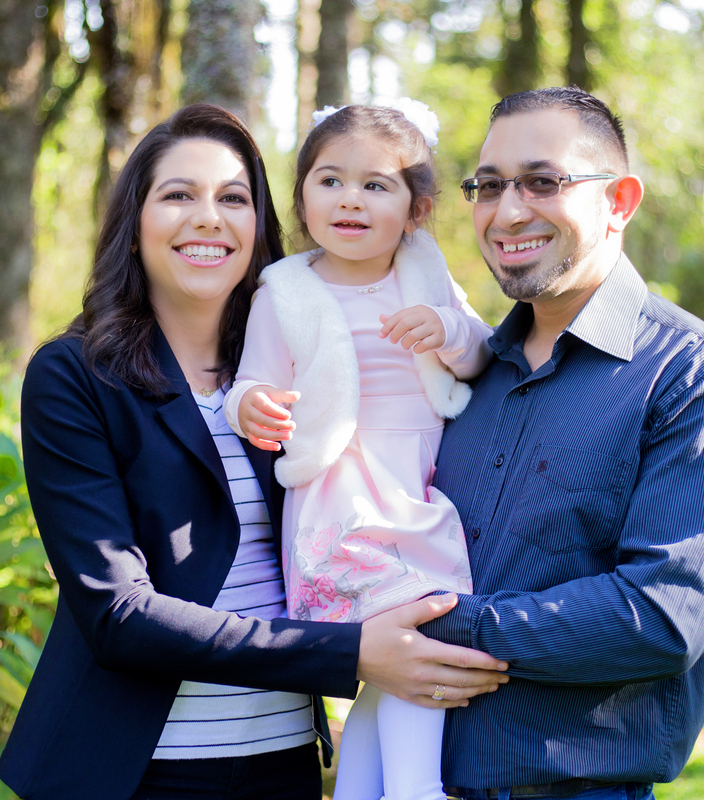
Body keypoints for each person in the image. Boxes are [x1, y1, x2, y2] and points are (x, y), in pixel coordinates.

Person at [0, 104, 508, 800]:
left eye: (233, 198)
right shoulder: (76, 376)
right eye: (179, 195)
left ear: (260, 224)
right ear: (135, 222)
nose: (209, 219)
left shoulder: (295, 357)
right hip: (138, 771)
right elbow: (117, 615)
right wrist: (351, 653)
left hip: (281, 764)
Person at [417, 87, 704, 800]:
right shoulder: (467, 376)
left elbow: (662, 615)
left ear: (620, 201)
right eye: (489, 186)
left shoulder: (695, 377)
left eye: (542, 181)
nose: (507, 212)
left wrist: (437, 625)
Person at [224, 101, 494, 800]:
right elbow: (251, 378)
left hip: (418, 487)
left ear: (416, 210)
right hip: (340, 497)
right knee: (411, 641)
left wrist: (446, 328)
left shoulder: (425, 273)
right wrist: (252, 404)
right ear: (301, 199)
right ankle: (415, 788)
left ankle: (361, 790)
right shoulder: (285, 290)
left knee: (392, 665)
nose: (350, 199)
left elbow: (480, 352)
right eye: (330, 181)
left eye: (376, 185)